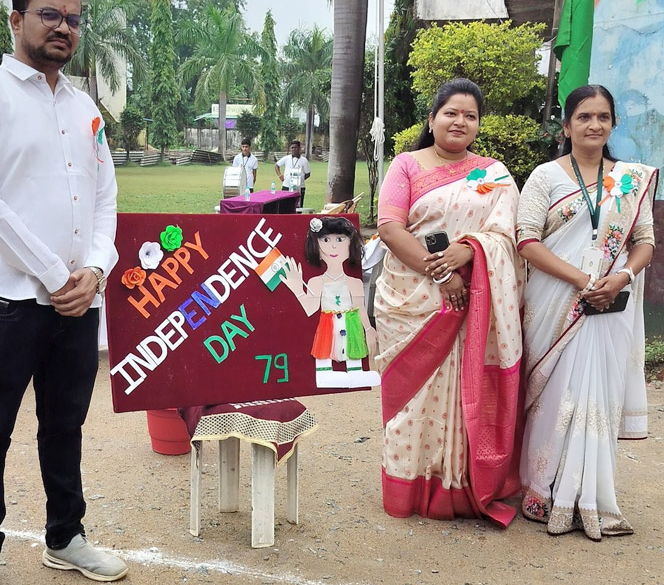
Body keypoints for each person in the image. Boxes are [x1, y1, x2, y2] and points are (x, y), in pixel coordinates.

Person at [0, 0, 126, 585]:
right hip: (8, 300)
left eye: (73, 19)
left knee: (65, 425)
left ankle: (65, 536)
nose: (63, 28)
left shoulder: (84, 108)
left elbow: (105, 199)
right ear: (16, 19)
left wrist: (96, 270)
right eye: (50, 14)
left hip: (78, 299)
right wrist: (55, 275)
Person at [374, 78, 525, 525]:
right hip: (413, 299)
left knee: (463, 394)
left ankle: (458, 486)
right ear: (432, 118)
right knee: (413, 398)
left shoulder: (494, 173)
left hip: (474, 299)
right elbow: (390, 228)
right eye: (451, 113)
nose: (460, 122)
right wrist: (441, 272)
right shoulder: (406, 165)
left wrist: (469, 250)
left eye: (470, 116)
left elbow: (505, 236)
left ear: (478, 124)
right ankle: (408, 486)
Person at [516, 85, 658, 540]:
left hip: (610, 303)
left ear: (613, 124)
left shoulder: (630, 180)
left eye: (603, 117)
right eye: (584, 117)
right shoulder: (545, 177)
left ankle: (590, 498)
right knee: (556, 391)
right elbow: (526, 239)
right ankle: (542, 490)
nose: (594, 125)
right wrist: (581, 280)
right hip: (557, 301)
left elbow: (645, 242)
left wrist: (622, 277)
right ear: (566, 125)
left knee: (599, 394)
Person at [281, 216, 381, 388]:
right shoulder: (316, 281)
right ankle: (325, 373)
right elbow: (311, 308)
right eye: (326, 240)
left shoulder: (354, 282)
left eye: (340, 239)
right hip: (328, 325)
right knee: (325, 350)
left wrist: (368, 329)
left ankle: (356, 372)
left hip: (351, 324)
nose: (333, 246)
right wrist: (297, 289)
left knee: (353, 350)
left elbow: (360, 307)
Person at [275, 140, 311, 207]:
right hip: (287, 185)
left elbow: (308, 174)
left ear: (299, 148)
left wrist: (299, 179)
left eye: (295, 147)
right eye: (292, 148)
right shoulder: (286, 158)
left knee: (298, 206)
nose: (293, 149)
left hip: (299, 187)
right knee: (284, 206)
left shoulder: (304, 160)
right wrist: (280, 175)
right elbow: (277, 165)